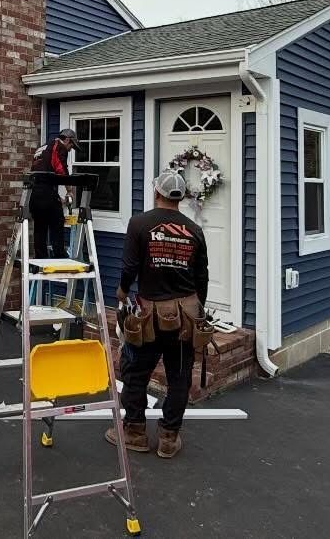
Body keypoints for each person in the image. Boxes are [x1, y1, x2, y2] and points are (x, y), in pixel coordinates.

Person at [106, 170, 208, 459]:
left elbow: (129, 267)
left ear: (157, 193)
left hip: (149, 315)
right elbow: (202, 278)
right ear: (182, 197)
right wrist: (197, 309)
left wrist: (123, 291)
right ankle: (168, 438)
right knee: (179, 377)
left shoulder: (139, 224)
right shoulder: (194, 230)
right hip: (185, 318)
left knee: (136, 373)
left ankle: (135, 433)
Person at [27, 128, 77, 259]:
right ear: (66, 139)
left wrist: (54, 195)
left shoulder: (43, 147)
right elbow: (62, 171)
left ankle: (40, 259)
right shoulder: (59, 146)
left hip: (34, 193)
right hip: (45, 191)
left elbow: (42, 170)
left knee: (40, 226)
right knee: (57, 220)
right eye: (71, 145)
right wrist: (70, 191)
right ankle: (60, 256)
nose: (71, 149)